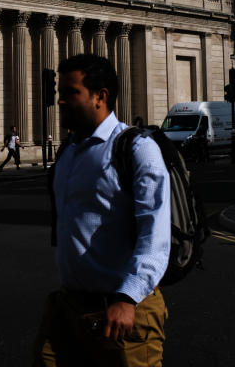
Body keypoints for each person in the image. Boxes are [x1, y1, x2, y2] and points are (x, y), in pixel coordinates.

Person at [33, 54, 171, 366]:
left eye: (71, 93)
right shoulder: (68, 151)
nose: (61, 102)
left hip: (124, 309)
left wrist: (127, 297)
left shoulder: (136, 148)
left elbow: (155, 234)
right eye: (60, 94)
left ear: (100, 96)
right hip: (70, 305)